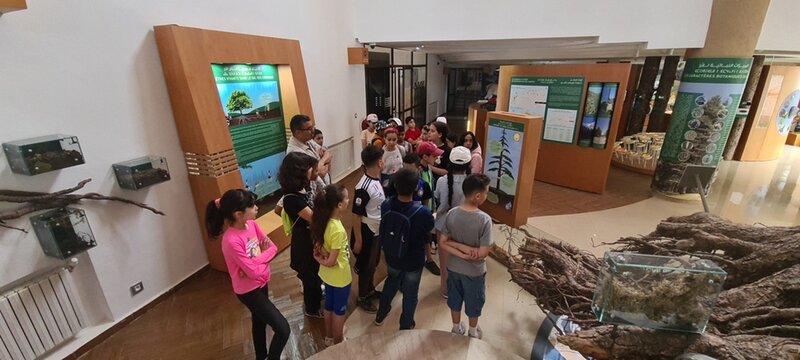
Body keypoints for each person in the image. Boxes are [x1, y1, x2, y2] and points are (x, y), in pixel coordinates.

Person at [205, 190, 290, 360]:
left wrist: (256, 261)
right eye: (252, 206)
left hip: (261, 282)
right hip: (248, 291)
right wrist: (261, 261)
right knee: (283, 329)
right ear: (238, 214)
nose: (257, 207)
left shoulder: (252, 225)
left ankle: (261, 356)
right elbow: (253, 271)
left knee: (259, 321)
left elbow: (272, 248)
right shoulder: (231, 241)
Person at [374, 169, 435, 330]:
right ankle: (406, 325)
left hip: (392, 254)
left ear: (395, 185)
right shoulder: (422, 212)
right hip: (414, 259)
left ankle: (381, 314)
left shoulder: (387, 205)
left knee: (391, 282)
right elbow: (429, 228)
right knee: (410, 293)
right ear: (416, 188)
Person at [438, 174, 493, 339]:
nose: (487, 195)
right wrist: (468, 253)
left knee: (454, 299)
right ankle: (473, 332)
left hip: (453, 267)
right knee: (474, 301)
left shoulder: (452, 213)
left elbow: (443, 242)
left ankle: (456, 328)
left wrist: (457, 247)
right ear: (478, 196)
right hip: (474, 272)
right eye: (486, 192)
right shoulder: (485, 220)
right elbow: (482, 253)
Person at [278, 152, 324, 318]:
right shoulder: (291, 199)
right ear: (299, 172)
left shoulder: (304, 188)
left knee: (316, 274)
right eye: (310, 168)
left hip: (311, 238)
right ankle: (312, 309)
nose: (313, 171)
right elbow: (314, 218)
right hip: (304, 244)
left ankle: (316, 296)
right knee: (310, 276)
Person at [310, 184, 352, 346]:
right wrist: (320, 260)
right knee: (339, 311)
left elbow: (320, 250)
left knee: (328, 307)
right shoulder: (337, 230)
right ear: (339, 205)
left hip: (327, 276)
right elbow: (331, 261)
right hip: (340, 277)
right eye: (346, 198)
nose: (349, 200)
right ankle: (338, 342)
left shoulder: (322, 222)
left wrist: (321, 258)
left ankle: (329, 338)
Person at [433, 146, 472, 298]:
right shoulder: (472, 182)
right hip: (465, 227)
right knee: (462, 261)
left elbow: (437, 199)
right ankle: (461, 289)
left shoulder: (442, 181)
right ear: (468, 164)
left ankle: (446, 289)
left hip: (443, 226)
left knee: (444, 262)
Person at [351, 146, 386, 313]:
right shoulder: (363, 186)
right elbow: (356, 215)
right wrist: (358, 240)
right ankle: (362, 296)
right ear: (379, 163)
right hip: (367, 231)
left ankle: (370, 289)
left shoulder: (376, 179)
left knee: (374, 262)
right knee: (366, 265)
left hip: (376, 230)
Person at [416, 141, 444, 276]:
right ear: (425, 157)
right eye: (434, 155)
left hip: (429, 207)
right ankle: (428, 259)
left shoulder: (429, 169)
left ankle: (428, 258)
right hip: (421, 209)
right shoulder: (419, 172)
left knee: (427, 233)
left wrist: (433, 207)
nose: (436, 157)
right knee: (424, 234)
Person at [287, 114, 331, 186]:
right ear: (298, 132)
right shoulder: (295, 152)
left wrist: (321, 162)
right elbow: (319, 174)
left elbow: (328, 154)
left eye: (313, 127)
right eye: (309, 129)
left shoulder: (308, 140)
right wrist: (326, 163)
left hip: (324, 184)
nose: (313, 130)